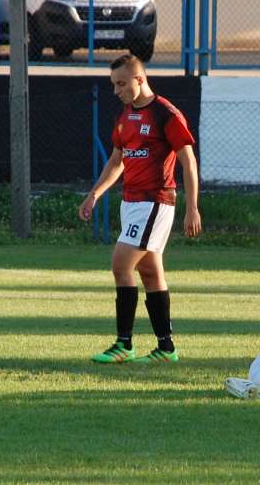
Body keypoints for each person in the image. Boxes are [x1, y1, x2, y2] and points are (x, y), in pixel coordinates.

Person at [79, 54, 201, 364]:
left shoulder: (166, 114)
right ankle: (166, 348)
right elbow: (117, 161)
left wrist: (193, 208)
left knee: (121, 263)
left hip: (155, 201)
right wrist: (95, 194)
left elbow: (188, 162)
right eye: (114, 84)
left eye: (121, 84)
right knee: (149, 272)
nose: (117, 90)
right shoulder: (124, 117)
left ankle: (124, 344)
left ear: (140, 79)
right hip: (131, 203)